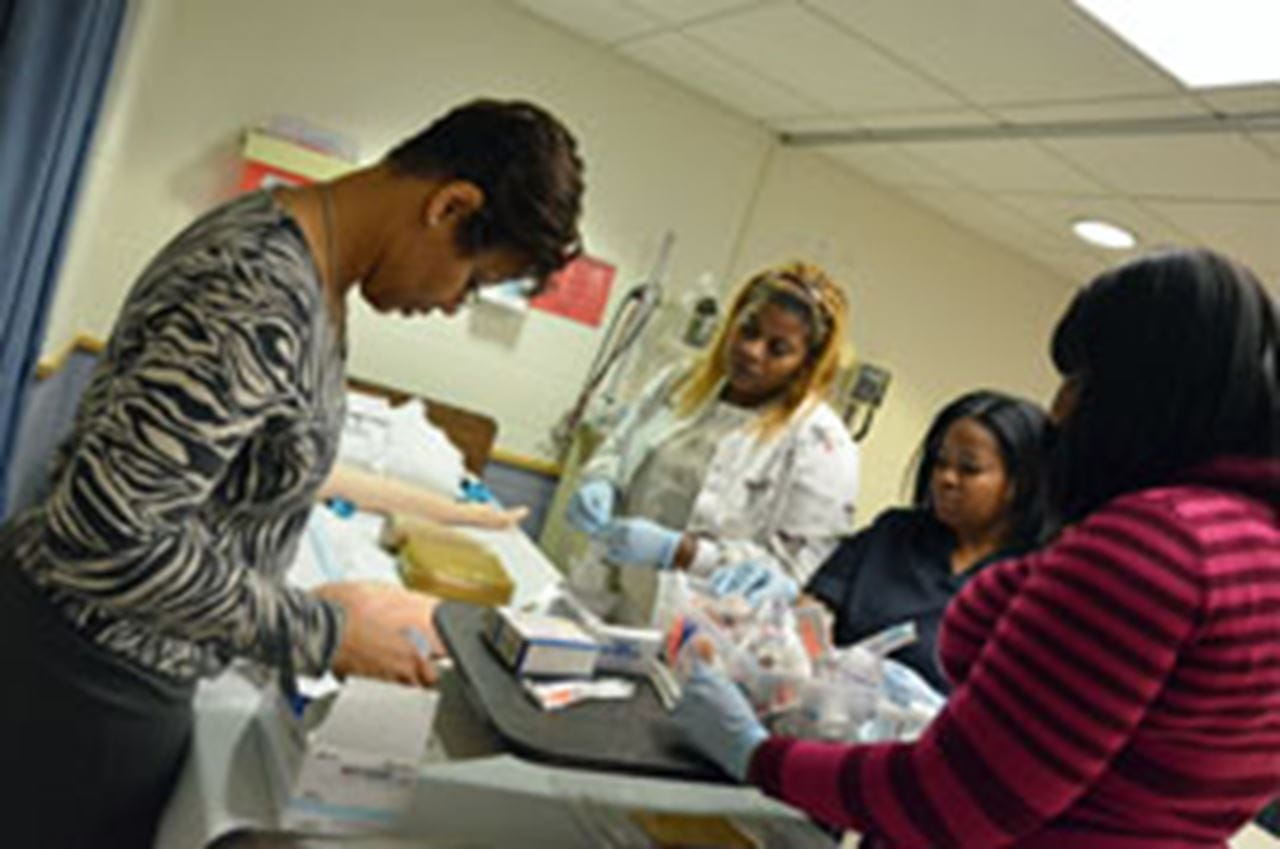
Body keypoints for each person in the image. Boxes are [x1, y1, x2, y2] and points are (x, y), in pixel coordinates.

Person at [0, 98, 583, 847]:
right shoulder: (253, 289)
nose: (449, 305)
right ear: (450, 205)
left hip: (118, 659)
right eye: (471, 280)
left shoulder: (309, 275)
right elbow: (106, 537)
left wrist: (295, 596)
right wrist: (322, 629)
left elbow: (204, 492)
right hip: (89, 679)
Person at [673, 248, 1280, 847]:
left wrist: (757, 757)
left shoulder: (1155, 547)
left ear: (1142, 395)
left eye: (1080, 379)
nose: (1061, 411)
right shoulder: (1252, 544)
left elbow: (955, 799)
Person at [565, 262, 861, 625]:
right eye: (748, 330)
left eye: (778, 349)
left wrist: (682, 552)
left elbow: (794, 571)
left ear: (806, 364)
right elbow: (620, 445)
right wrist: (603, 479)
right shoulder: (681, 381)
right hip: (606, 596)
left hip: (704, 630)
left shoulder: (821, 442)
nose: (752, 351)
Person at [709, 389, 1053, 692]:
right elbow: (813, 609)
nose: (946, 478)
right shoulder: (894, 534)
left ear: (1018, 484)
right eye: (940, 463)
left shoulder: (1031, 583)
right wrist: (803, 658)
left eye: (969, 469)